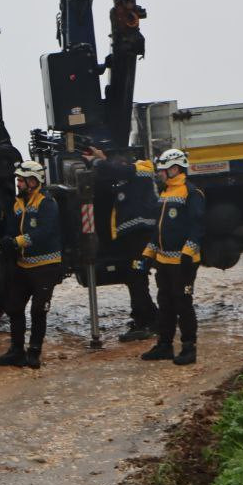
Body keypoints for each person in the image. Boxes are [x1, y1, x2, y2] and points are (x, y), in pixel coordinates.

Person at [81, 144, 159, 341]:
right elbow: (112, 174)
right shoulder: (127, 178)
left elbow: (116, 170)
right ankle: (148, 318)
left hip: (143, 237)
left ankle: (147, 322)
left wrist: (98, 160)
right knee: (134, 277)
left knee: (137, 277)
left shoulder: (142, 169)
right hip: (134, 238)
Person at [0, 160, 62, 369]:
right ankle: (16, 351)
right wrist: (6, 240)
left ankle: (34, 352)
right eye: (18, 180)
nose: (18, 183)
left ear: (34, 180)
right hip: (23, 266)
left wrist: (18, 242)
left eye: (22, 180)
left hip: (45, 266)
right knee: (14, 307)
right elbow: (11, 230)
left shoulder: (47, 203)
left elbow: (45, 232)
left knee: (38, 310)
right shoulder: (17, 204)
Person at [139, 148, 204, 366]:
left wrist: (188, 252)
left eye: (163, 170)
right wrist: (148, 254)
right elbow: (158, 230)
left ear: (175, 169)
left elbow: (198, 226)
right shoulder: (165, 193)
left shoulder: (191, 193)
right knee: (165, 303)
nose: (160, 174)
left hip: (183, 263)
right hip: (164, 261)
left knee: (183, 303)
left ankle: (189, 348)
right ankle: (164, 346)